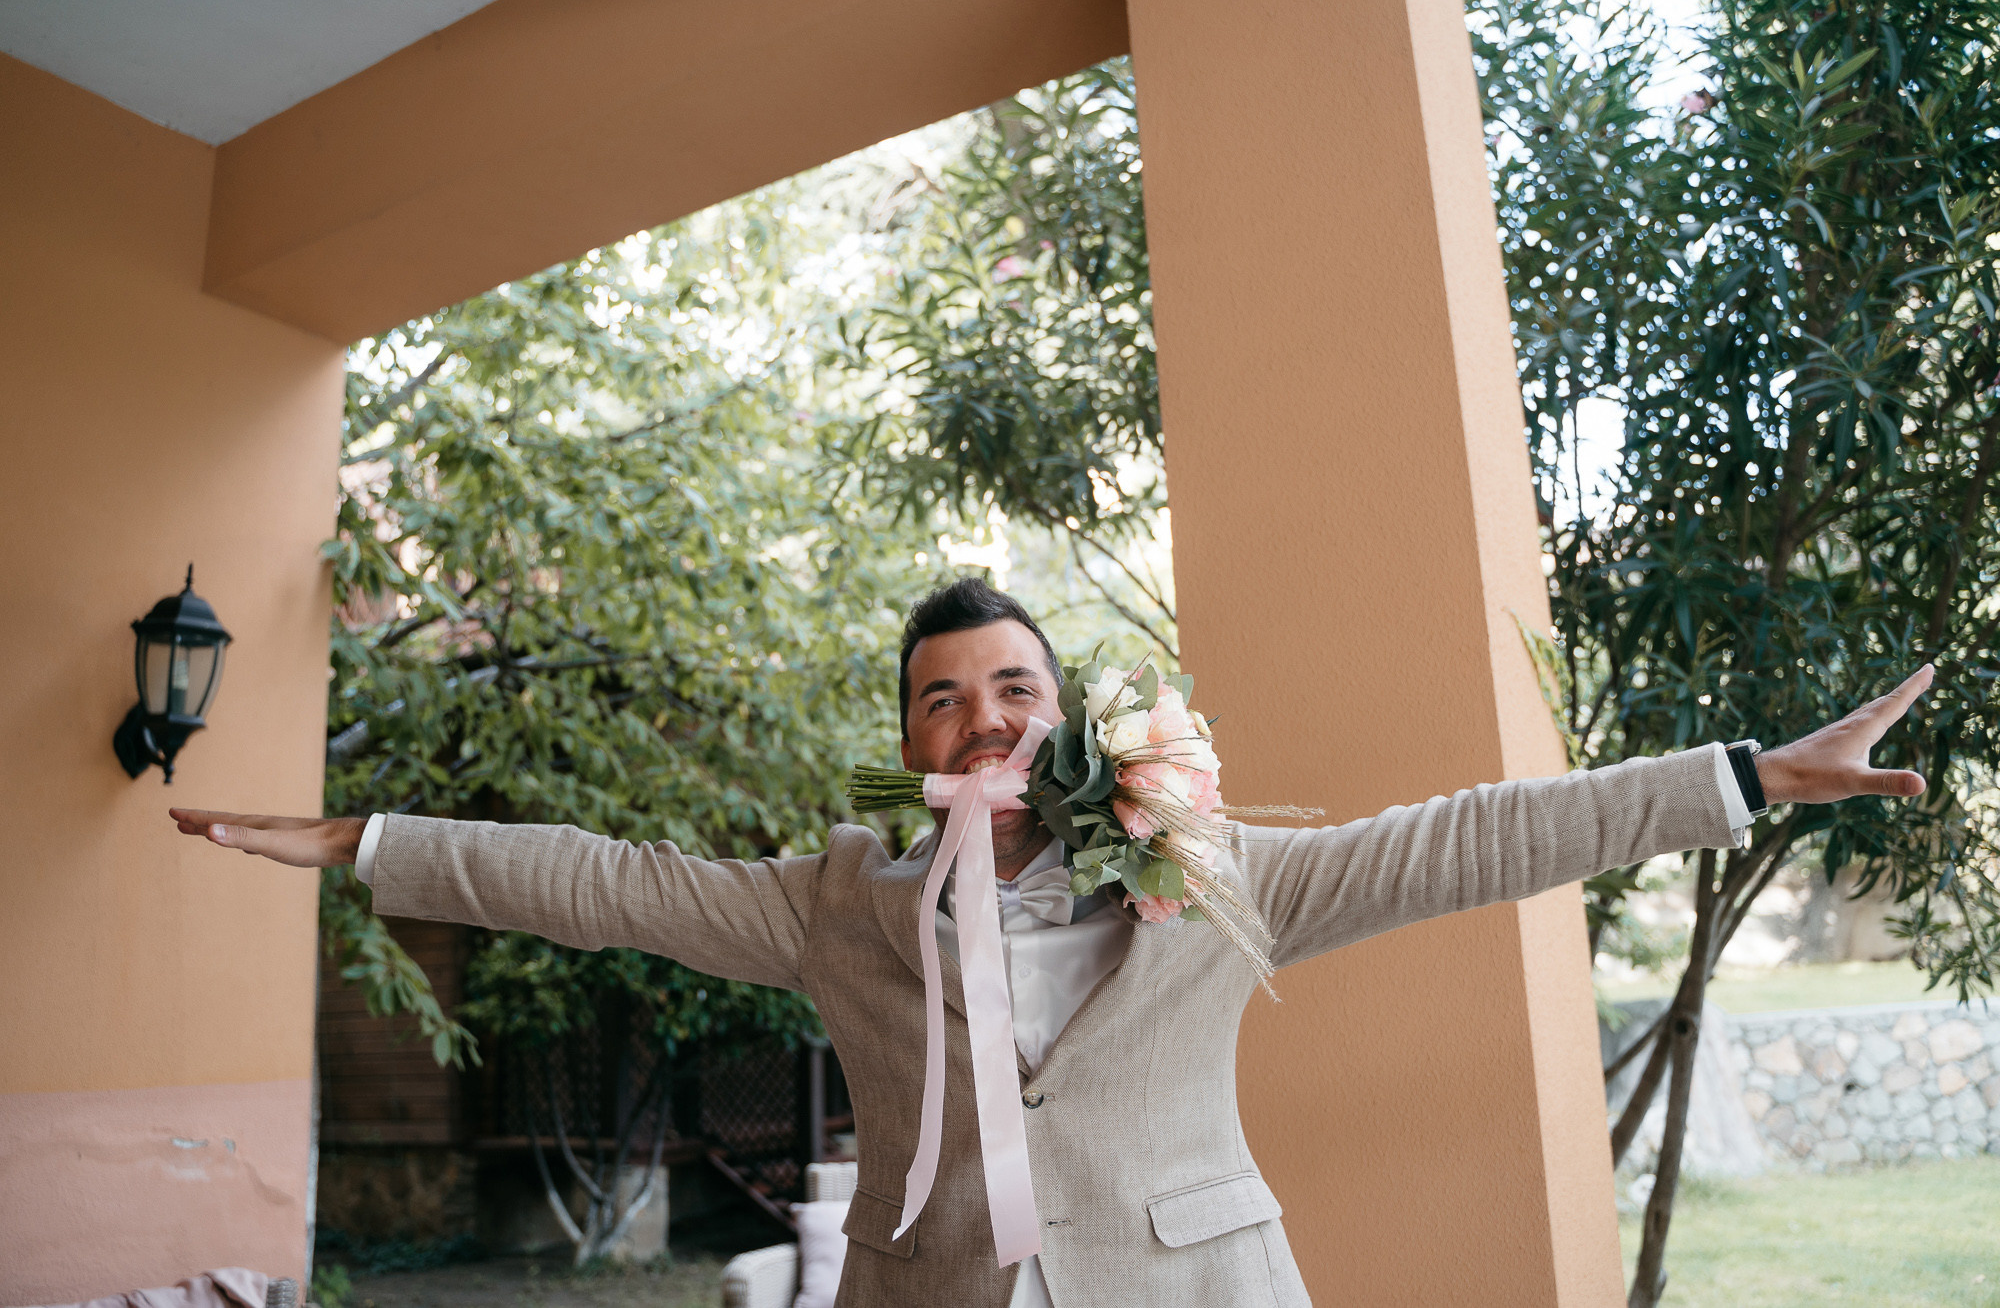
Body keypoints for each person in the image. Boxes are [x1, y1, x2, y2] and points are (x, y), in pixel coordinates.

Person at [174, 578, 1931, 1307]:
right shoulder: (835, 897)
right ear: (915, 738)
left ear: (1063, 713)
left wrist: (1748, 773)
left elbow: (1477, 834)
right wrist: (361, 839)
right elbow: (600, 877)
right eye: (942, 698)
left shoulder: (1206, 865)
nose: (980, 715)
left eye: (1012, 685)